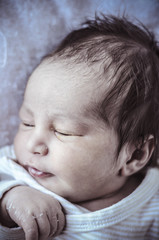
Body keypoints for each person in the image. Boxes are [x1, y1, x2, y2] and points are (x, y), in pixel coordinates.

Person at [0, 14, 159, 240]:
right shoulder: (14, 170)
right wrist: (10, 200)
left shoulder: (151, 203)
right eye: (27, 123)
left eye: (63, 131)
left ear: (135, 154)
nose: (33, 143)